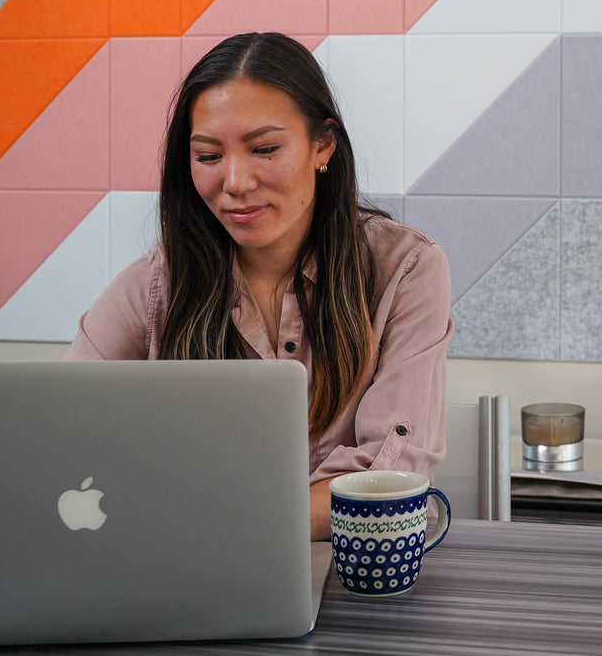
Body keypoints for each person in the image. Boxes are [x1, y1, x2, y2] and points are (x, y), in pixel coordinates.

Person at [67, 32, 452, 539]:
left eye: (264, 149)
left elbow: (388, 482)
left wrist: (205, 518)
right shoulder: (154, 285)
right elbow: (65, 439)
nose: (235, 181)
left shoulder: (405, 268)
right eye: (207, 156)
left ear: (324, 145)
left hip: (346, 580)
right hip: (189, 578)